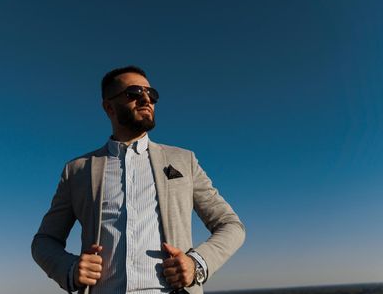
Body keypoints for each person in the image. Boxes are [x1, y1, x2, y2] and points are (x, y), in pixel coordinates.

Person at [32, 66, 245, 294]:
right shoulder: (77, 170)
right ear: (109, 107)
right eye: (134, 93)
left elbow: (231, 225)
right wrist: (70, 268)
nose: (146, 99)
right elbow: (44, 241)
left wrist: (197, 264)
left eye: (151, 94)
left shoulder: (184, 161)